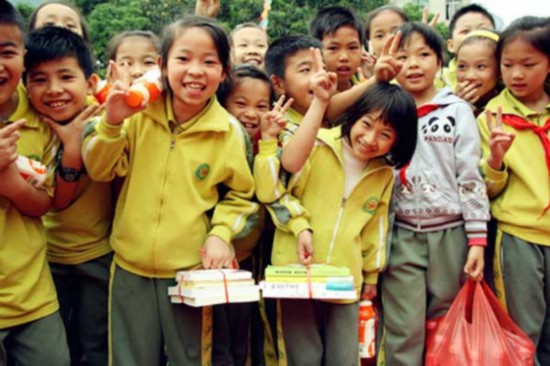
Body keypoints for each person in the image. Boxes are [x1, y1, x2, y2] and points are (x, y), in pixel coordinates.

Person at [81, 15, 257, 365]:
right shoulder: (135, 115)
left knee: (192, 357)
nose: (195, 70)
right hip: (130, 267)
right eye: (183, 58)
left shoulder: (228, 131)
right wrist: (113, 123)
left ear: (224, 72)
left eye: (209, 62)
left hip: (191, 274)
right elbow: (99, 169)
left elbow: (242, 198)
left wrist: (221, 234)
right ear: (162, 66)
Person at [254, 82, 418, 366]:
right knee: (302, 357)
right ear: (354, 116)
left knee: (344, 358)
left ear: (398, 141)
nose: (370, 138)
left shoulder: (383, 174)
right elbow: (271, 190)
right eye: (366, 124)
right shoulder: (316, 145)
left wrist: (371, 276)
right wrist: (299, 225)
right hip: (295, 275)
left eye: (385, 134)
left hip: (346, 279)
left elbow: (376, 229)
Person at [380, 22, 490, 366]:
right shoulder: (384, 110)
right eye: (402, 56)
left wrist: (476, 240)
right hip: (402, 234)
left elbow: (470, 177)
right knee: (403, 326)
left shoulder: (457, 112)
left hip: (450, 233)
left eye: (423, 55)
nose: (413, 64)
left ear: (441, 62)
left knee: (446, 321)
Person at [24, 25, 111, 366]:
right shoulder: (27, 124)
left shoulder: (106, 119)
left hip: (97, 253)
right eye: (39, 79)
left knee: (96, 346)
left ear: (89, 83)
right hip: (44, 259)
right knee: (56, 350)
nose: (54, 90)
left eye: (65, 77)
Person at [477, 16, 550, 365]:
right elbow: (486, 190)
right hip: (519, 238)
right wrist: (495, 158)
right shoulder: (493, 117)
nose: (517, 74)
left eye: (529, 64)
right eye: (508, 65)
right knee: (524, 331)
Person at [0, 2, 69, 365]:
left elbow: (44, 202)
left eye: (6, 52)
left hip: (32, 299)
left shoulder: (40, 113)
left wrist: (9, 181)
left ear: (23, 55)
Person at [215, 64, 290, 366]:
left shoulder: (273, 144)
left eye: (261, 106)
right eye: (240, 103)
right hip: (216, 254)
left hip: (255, 255)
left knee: (248, 332)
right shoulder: (216, 140)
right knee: (218, 338)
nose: (250, 113)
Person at [264, 36, 337, 173]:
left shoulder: (336, 117)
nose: (319, 76)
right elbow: (291, 163)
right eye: (306, 70)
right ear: (278, 84)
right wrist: (319, 102)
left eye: (322, 68)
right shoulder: (278, 124)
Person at [309, 6, 365, 92]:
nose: (344, 57)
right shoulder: (309, 95)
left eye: (352, 48)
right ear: (316, 52)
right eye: (333, 48)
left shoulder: (367, 88)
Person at [444, 4, 496, 89]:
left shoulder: (508, 77)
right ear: (451, 45)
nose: (473, 36)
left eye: (482, 30)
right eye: (465, 31)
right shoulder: (438, 79)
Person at [455, 29, 500, 114]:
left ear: (499, 70)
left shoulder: (510, 107)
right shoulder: (446, 104)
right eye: (462, 66)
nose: (469, 76)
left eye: (480, 66)